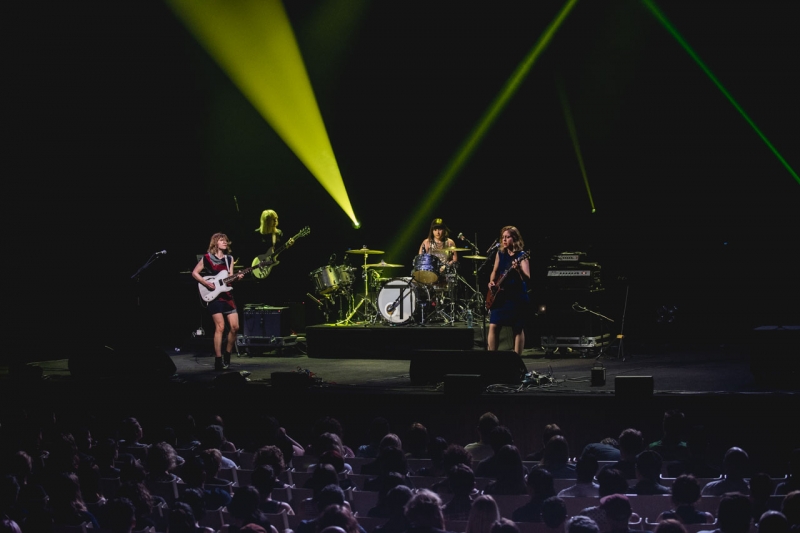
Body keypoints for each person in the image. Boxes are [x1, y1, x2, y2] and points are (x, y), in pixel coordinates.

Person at [192, 233, 243, 371]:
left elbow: (230, 277)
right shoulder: (207, 257)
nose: (225, 242)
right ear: (215, 243)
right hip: (214, 296)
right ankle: (218, 359)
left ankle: (227, 354)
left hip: (227, 295)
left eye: (226, 240)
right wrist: (206, 283)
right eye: (222, 240)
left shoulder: (229, 259)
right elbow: (195, 273)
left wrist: (237, 277)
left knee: (235, 327)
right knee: (220, 327)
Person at [487, 226, 530, 355]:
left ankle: (517, 359)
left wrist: (518, 270)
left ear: (515, 238)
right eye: (503, 237)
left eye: (507, 237)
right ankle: (492, 357)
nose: (504, 240)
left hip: (516, 296)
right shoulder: (500, 253)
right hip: (500, 296)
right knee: (494, 325)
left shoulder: (522, 255)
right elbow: (494, 271)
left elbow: (527, 277)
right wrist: (491, 282)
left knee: (517, 328)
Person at [417, 218, 459, 285]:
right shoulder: (426, 242)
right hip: (430, 274)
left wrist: (446, 266)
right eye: (435, 230)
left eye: (440, 229)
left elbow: (455, 259)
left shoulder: (450, 242)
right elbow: (420, 258)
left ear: (444, 230)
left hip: (445, 274)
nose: (437, 232)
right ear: (432, 231)